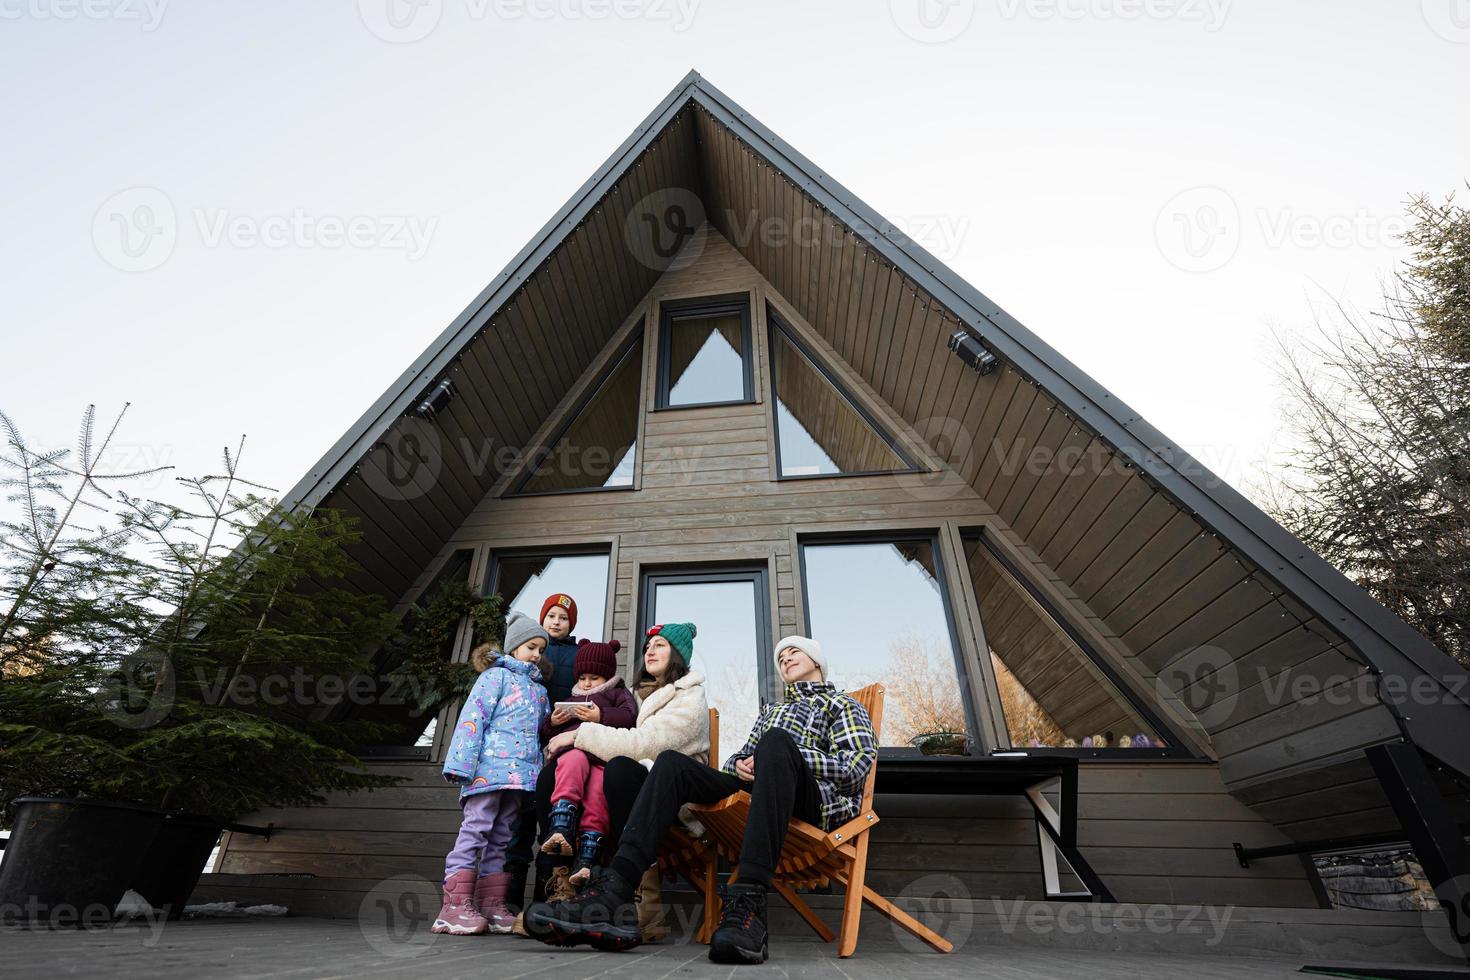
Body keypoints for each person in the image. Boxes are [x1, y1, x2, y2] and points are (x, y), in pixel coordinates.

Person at [526, 635, 877, 964]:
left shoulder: (840, 704)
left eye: (794, 653)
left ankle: (749, 903)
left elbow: (856, 765)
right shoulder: (773, 711)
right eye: (781, 657)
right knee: (671, 763)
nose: (785, 659)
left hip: (811, 802)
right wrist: (741, 764)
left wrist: (784, 756)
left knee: (776, 743)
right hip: (758, 792)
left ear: (816, 661)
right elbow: (734, 760)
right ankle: (615, 890)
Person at [525, 622, 708, 942]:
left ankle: (642, 897)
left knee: (621, 770)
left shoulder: (689, 696)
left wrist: (577, 736)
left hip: (669, 797)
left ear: (678, 654)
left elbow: (648, 744)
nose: (650, 650)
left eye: (660, 645)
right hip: (622, 791)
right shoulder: (636, 696)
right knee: (551, 775)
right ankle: (559, 886)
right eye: (648, 646)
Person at [433, 612, 552, 935]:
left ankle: (490, 904)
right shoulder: (494, 678)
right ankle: (453, 907)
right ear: (514, 646)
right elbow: (473, 719)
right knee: (476, 830)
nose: (537, 654)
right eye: (531, 647)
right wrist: (460, 765)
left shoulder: (539, 691)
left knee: (502, 838)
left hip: (519, 778)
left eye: (541, 649)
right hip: (487, 773)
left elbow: (539, 735)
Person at [503, 593, 581, 909]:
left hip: (557, 750)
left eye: (563, 618)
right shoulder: (528, 652)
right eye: (551, 616)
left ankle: (544, 900)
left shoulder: (578, 655)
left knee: (549, 822)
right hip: (522, 750)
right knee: (517, 824)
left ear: (571, 623)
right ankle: (508, 901)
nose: (556, 622)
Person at [538, 639, 638, 884]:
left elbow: (629, 716)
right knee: (573, 761)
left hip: (602, 758)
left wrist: (600, 715)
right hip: (575, 752)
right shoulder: (571, 697)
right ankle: (562, 822)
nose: (587, 683)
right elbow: (547, 734)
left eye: (594, 677)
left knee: (597, 793)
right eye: (582, 677)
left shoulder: (616, 693)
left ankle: (588, 856)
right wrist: (554, 722)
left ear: (607, 676)